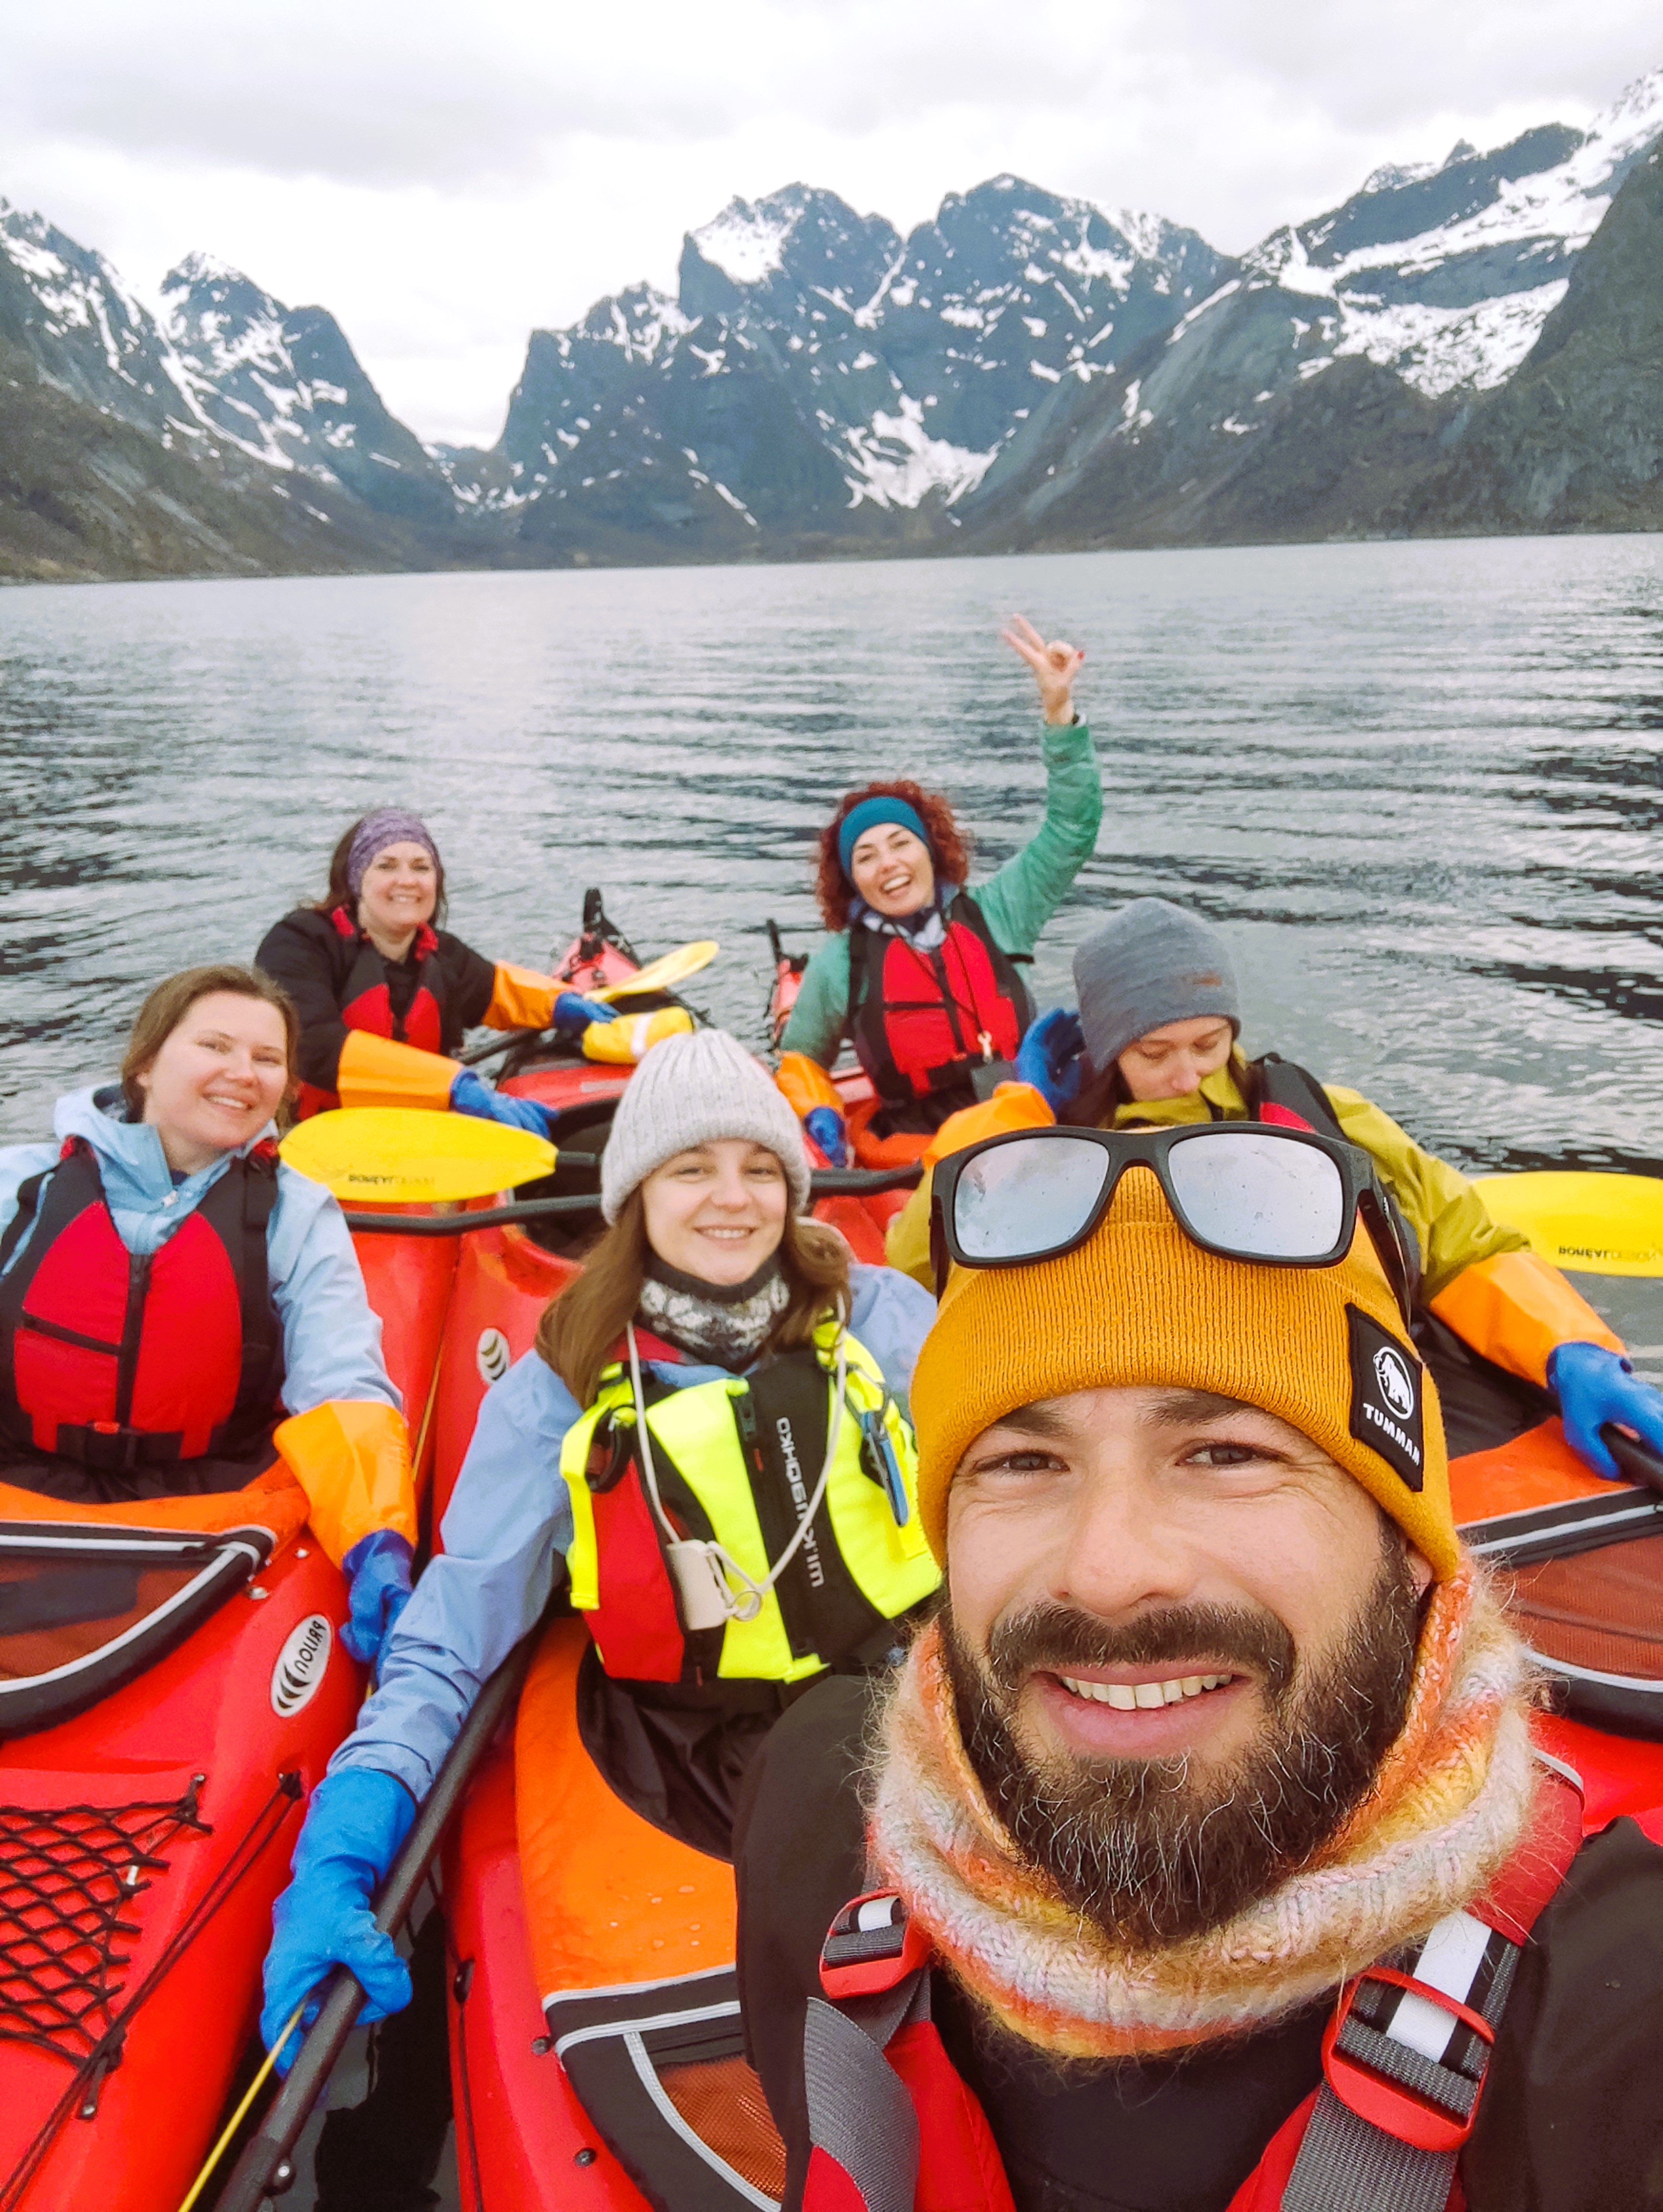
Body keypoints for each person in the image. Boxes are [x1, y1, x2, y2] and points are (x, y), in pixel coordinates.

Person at [736, 1121, 1663, 2211]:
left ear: (1411, 1544)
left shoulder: (1613, 2006)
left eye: (1227, 1453)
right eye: (1024, 1460)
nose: (1108, 1567)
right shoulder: (810, 1810)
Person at [258, 1028, 941, 2202]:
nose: (732, 1198)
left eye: (759, 1168)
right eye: (692, 1169)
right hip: (682, 1741)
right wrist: (351, 1831)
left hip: (902, 1707)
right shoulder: (563, 1378)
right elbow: (457, 1623)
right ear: (635, 1196)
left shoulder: (881, 1317)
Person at [884, 896, 1663, 1477]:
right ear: (1104, 1044)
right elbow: (914, 1260)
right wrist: (1014, 1124)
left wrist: (1568, 1346)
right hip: (1168, 1413)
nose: (1186, 1071)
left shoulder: (1321, 1115)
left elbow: (1463, 1243)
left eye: (1207, 1041)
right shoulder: (1037, 1139)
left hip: (1346, 1381)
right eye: (1153, 1051)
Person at [0, 964, 418, 1666]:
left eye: (267, 1059)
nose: (243, 1073)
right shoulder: (19, 1183)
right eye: (215, 1047)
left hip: (209, 1512)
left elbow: (340, 1385)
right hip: (19, 1491)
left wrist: (378, 1540)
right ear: (144, 1065)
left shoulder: (298, 1213)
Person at [776, 618, 1102, 1168]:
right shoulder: (839, 963)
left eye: (900, 843)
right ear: (851, 879)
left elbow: (1071, 830)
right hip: (914, 1163)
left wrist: (1058, 712)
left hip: (1028, 1132)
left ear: (931, 850)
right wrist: (816, 1111)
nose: (888, 864)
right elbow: (802, 1059)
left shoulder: (1000, 910)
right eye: (866, 856)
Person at [254, 806, 617, 1130]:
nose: (408, 881)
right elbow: (313, 1045)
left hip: (418, 1131)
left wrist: (560, 1004)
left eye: (421, 867)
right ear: (356, 880)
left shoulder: (442, 954)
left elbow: (495, 990)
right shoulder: (297, 943)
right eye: (386, 866)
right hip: (314, 1133)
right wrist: (452, 1084)